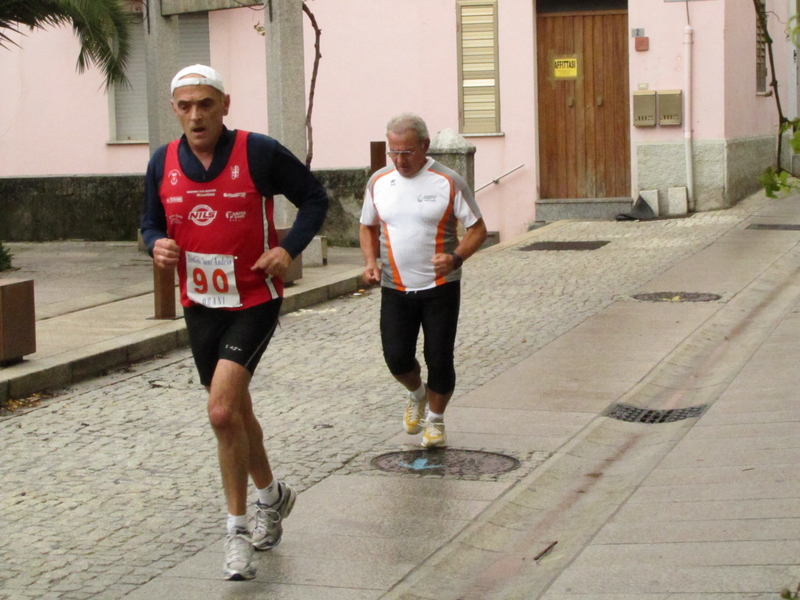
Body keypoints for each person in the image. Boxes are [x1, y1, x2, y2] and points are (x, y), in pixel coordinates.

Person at [140, 65, 328, 581]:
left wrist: (288, 250)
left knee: (221, 412)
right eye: (185, 106)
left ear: (225, 103)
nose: (196, 115)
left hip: (252, 298)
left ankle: (237, 531)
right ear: (174, 109)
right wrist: (153, 243)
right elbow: (150, 220)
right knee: (237, 412)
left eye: (205, 103)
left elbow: (315, 199)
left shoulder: (259, 151)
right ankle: (273, 496)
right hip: (200, 303)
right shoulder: (162, 162)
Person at [359, 113, 487, 448]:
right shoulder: (379, 181)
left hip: (440, 287)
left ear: (425, 146)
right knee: (396, 357)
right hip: (395, 286)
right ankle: (416, 394)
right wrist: (371, 261)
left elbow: (478, 229)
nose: (400, 161)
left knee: (439, 356)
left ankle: (436, 421)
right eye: (394, 152)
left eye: (407, 152)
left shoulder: (448, 181)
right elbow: (367, 225)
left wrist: (455, 257)